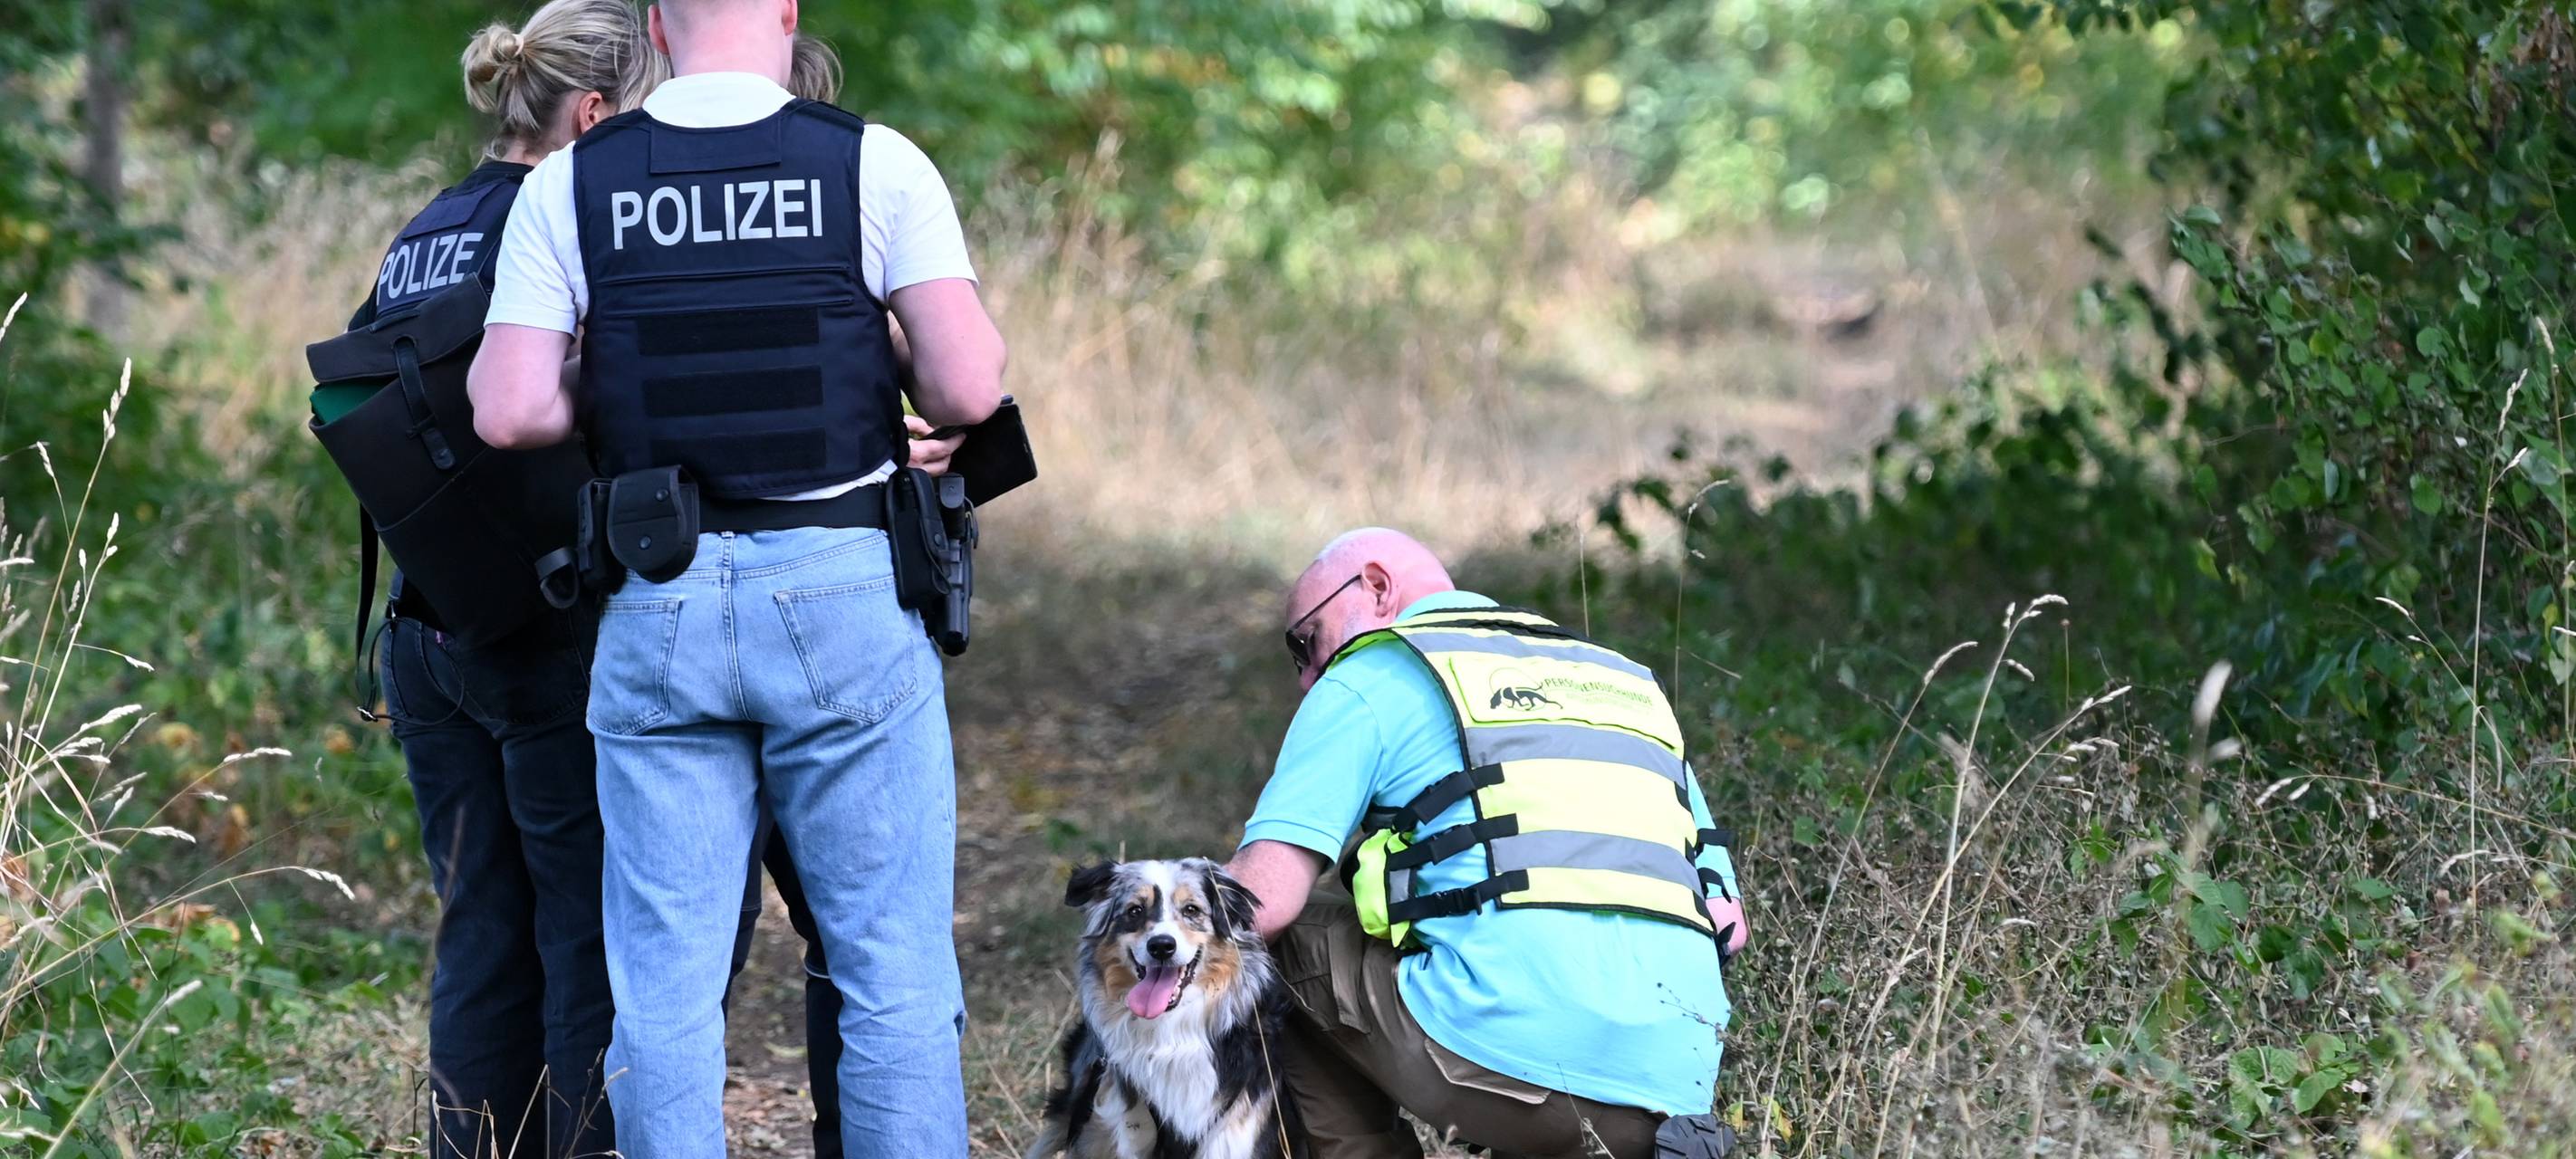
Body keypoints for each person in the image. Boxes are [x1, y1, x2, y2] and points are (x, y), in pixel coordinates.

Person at [466, 0, 1007, 1154]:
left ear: (657, 21)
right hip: (844, 585)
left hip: (657, 593)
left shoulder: (575, 182)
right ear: (787, 12)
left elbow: (507, 409)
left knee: (659, 988)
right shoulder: (874, 163)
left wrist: (604, 387)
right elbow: (966, 389)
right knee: (891, 964)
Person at [347, 3, 666, 1154]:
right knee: (587, 935)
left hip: (427, 631)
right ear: (592, 112)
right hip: (547, 630)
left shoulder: (424, 227)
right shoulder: (558, 223)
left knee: (480, 928)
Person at [1226, 528, 1752, 1159]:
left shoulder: (1372, 670)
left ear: (1377, 586)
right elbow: (1729, 924)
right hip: (1677, 1097)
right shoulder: (1624, 684)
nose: (1309, 677)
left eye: (1305, 642)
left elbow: (1258, 907)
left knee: (1255, 950)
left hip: (1511, 1077)